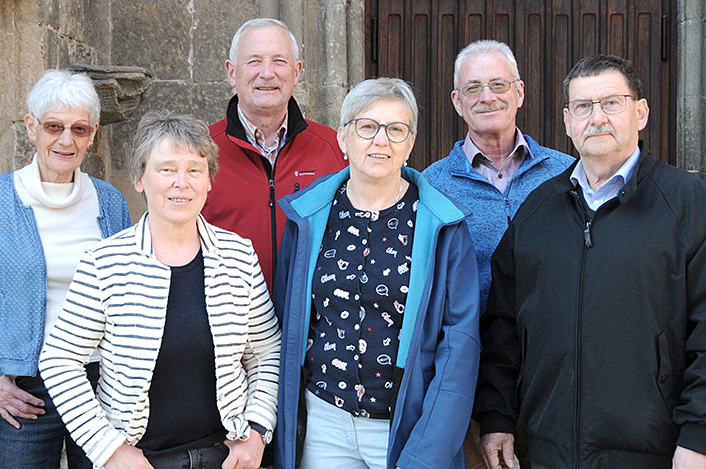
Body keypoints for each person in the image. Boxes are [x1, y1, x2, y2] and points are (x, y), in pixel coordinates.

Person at [475, 55, 705, 469]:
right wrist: (497, 416)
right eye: (583, 106)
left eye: (611, 103)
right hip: (547, 452)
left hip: (654, 454)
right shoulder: (538, 210)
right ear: (567, 121)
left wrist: (698, 436)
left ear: (641, 112)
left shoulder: (686, 202)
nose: (597, 118)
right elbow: (503, 327)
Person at [38, 111, 282, 469]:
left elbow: (267, 352)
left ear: (209, 181)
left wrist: (258, 431)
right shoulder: (104, 263)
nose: (181, 183)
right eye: (166, 169)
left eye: (194, 170)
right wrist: (109, 450)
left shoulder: (238, 255)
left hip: (224, 455)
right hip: (140, 459)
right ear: (140, 178)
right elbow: (60, 361)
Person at [273, 78, 480, 469]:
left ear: (410, 143)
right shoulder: (308, 215)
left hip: (405, 427)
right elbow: (288, 322)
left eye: (395, 130)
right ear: (343, 138)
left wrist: (426, 452)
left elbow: (460, 349)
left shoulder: (443, 226)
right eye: (367, 127)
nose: (380, 141)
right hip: (323, 424)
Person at [0, 69, 130, 468]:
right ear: (31, 127)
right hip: (26, 389)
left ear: (93, 133)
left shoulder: (110, 203)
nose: (66, 140)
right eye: (54, 126)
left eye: (79, 129)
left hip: (101, 384)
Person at [422, 39, 574, 469]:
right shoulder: (431, 187)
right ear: (456, 101)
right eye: (473, 88)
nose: (487, 97)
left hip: (557, 380)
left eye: (498, 85)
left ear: (520, 92)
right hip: (471, 385)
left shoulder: (567, 174)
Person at [202, 17, 347, 293]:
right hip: (229, 322)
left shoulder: (333, 148)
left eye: (279, 61)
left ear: (297, 72)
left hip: (310, 323)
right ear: (232, 73)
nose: (267, 73)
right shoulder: (199, 150)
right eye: (254, 61)